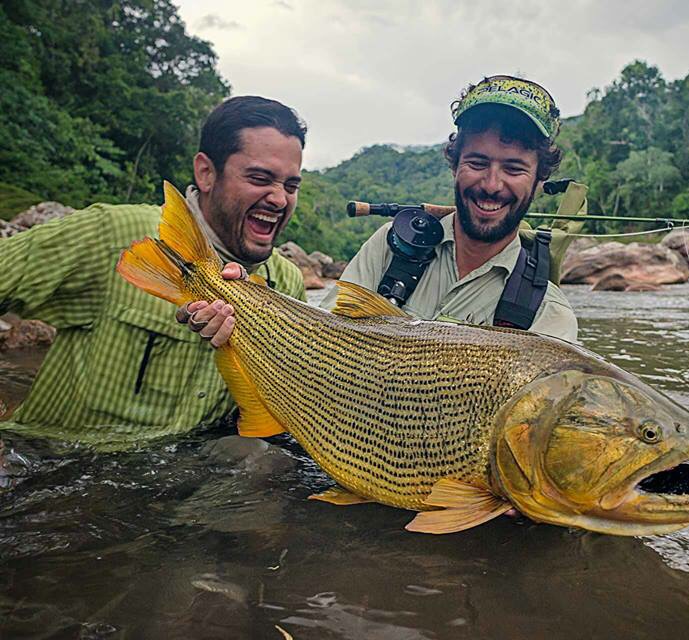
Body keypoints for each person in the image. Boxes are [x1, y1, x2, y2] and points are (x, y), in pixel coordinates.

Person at [0, 96, 308, 449]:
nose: (280, 199)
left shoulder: (286, 285)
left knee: (262, 459)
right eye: (260, 178)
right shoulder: (114, 234)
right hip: (53, 466)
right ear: (206, 173)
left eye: (291, 186)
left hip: (182, 486)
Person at [186, 75, 578, 345]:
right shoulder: (393, 245)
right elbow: (322, 342)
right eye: (477, 162)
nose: (492, 184)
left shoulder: (549, 316)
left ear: (539, 180)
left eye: (513, 168)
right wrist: (245, 305)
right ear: (455, 163)